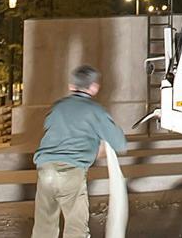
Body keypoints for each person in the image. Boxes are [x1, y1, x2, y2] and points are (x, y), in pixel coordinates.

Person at [33, 64, 128, 238]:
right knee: (76, 226)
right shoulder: (95, 110)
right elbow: (120, 143)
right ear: (94, 87)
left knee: (44, 225)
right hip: (71, 170)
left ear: (71, 86)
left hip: (45, 169)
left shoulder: (57, 107)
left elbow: (51, 130)